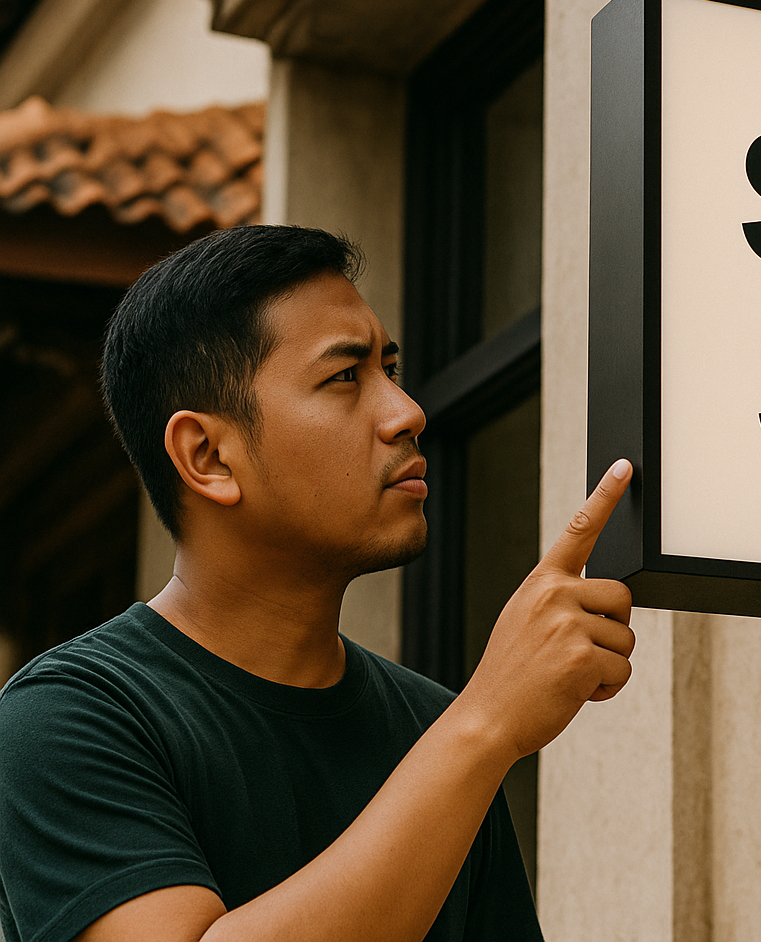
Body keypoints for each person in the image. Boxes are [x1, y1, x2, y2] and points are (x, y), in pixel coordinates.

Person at [0, 225, 635, 942]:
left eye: (391, 369)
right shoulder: (66, 718)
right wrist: (485, 725)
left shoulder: (432, 729)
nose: (407, 412)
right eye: (344, 377)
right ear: (207, 456)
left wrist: (469, 733)